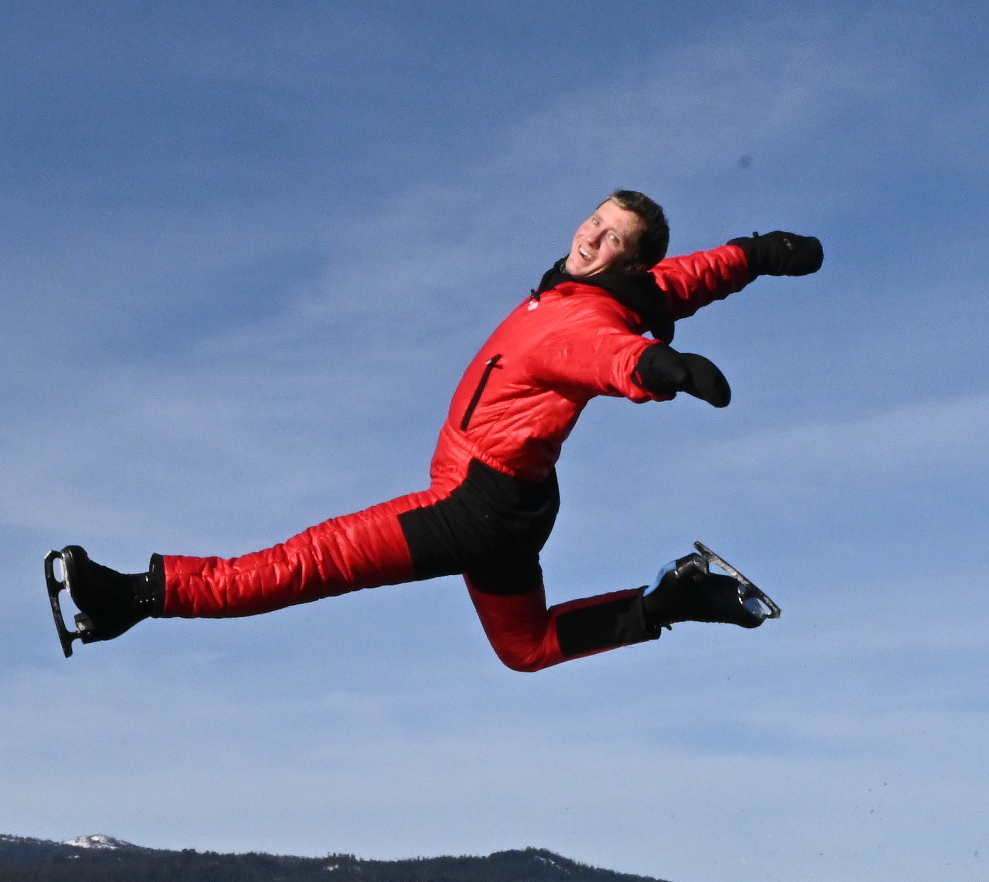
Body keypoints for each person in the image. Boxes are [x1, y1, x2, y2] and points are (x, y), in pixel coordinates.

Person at [47, 192, 827, 669]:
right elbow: (692, 275)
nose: (591, 238)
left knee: (303, 563)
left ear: (626, 264)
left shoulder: (583, 318)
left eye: (612, 238)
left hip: (471, 507)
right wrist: (761, 254)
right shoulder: (623, 290)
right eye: (595, 220)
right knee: (525, 650)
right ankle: (670, 601)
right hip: (515, 506)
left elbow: (608, 357)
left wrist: (665, 371)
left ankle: (138, 597)